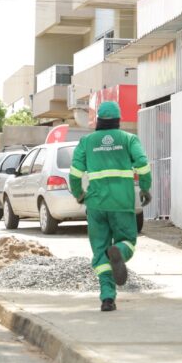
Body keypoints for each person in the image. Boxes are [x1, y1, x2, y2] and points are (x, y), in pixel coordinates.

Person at [69, 101, 152, 312]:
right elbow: (142, 163)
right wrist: (144, 188)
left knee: (99, 253)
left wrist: (79, 194)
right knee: (128, 241)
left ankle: (107, 298)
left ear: (98, 120)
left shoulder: (86, 142)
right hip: (121, 203)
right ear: (118, 120)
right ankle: (120, 252)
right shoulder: (128, 139)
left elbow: (75, 174)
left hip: (96, 205)